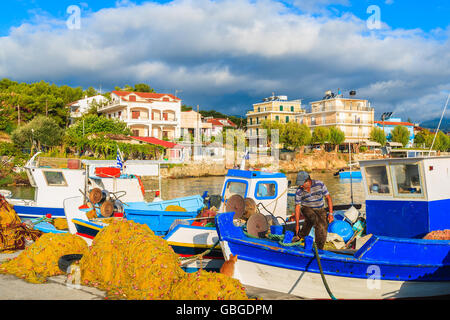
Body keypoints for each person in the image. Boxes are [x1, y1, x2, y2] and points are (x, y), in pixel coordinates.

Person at [293, 171, 334, 250]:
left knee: (323, 227)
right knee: (314, 219)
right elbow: (297, 207)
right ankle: (301, 235)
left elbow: (328, 198)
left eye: (302, 183)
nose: (301, 185)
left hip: (320, 209)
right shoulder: (299, 191)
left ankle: (318, 248)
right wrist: (297, 224)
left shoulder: (320, 184)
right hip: (306, 208)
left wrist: (331, 214)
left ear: (308, 181)